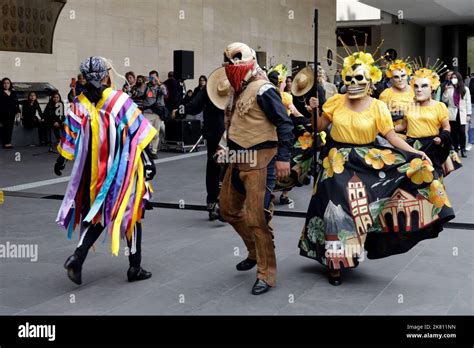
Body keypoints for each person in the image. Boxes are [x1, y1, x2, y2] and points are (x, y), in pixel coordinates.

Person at [299, 48, 454, 286]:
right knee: (335, 209)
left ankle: (354, 250)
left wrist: (415, 152)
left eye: (359, 78)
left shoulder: (377, 106)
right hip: (335, 161)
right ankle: (335, 263)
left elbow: (391, 136)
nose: (353, 82)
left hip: (366, 159)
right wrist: (314, 110)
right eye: (349, 78)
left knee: (360, 209)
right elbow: (318, 127)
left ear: (370, 80)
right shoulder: (336, 102)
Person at [55, 56, 157, 285]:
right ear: (105, 76)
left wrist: (61, 161)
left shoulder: (78, 103)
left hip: (92, 174)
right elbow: (139, 132)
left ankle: (78, 256)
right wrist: (149, 161)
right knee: (132, 213)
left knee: (98, 214)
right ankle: (135, 266)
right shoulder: (118, 99)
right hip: (123, 169)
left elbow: (69, 139)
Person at [218, 42, 293, 295]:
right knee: (228, 209)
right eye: (228, 60)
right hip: (238, 157)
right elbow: (235, 123)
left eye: (237, 58)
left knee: (258, 218)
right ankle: (253, 251)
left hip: (261, 159)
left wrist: (284, 157)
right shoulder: (237, 90)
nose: (231, 64)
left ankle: (266, 274)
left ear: (249, 60)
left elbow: (284, 123)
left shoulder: (263, 90)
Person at [396, 66, 460, 176]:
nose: (419, 89)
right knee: (412, 182)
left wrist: (441, 137)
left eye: (424, 86)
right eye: (416, 86)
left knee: (433, 181)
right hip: (412, 148)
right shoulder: (409, 107)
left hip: (432, 147)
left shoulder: (439, 106)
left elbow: (446, 127)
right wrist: (386, 129)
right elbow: (403, 126)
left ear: (432, 87)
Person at [182, 68, 228, 221]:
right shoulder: (238, 86)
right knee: (230, 167)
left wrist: (181, 109)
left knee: (214, 166)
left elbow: (194, 106)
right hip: (233, 134)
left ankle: (212, 202)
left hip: (214, 133)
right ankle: (225, 203)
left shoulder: (208, 88)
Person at [267, 64, 314, 205]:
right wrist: (311, 125)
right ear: (281, 83)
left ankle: (269, 193)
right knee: (291, 158)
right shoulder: (285, 97)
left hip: (267, 133)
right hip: (283, 133)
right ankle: (284, 193)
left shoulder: (265, 94)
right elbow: (295, 113)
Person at [379, 59, 414, 139]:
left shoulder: (415, 91)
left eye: (403, 76)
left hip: (416, 132)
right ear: (391, 78)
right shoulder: (385, 94)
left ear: (408, 75)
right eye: (396, 77)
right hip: (395, 134)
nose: (400, 79)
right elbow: (382, 119)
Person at [442, 72, 472, 158]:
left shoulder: (465, 89)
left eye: (455, 77)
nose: (453, 79)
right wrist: (445, 91)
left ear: (459, 78)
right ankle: (455, 149)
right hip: (452, 113)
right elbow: (444, 100)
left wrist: (469, 114)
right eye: (452, 77)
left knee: (462, 132)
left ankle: (463, 149)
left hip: (462, 113)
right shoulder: (449, 88)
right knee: (453, 133)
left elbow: (468, 102)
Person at [142, 70, 168, 158]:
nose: (152, 79)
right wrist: (144, 83)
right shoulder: (146, 87)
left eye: (154, 77)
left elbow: (165, 93)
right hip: (147, 113)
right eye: (151, 77)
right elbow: (140, 94)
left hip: (157, 113)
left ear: (157, 77)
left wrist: (159, 83)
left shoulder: (161, 87)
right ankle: (146, 149)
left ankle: (154, 151)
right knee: (146, 132)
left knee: (155, 134)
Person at [0, 77, 20, 149]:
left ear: (10, 84)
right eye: (4, 83)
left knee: (10, 128)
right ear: (2, 84)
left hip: (11, 113)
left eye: (7, 83)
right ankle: (5, 143)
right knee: (4, 128)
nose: (6, 84)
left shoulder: (13, 92)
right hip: (2, 113)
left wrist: (18, 112)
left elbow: (16, 103)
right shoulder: (0, 92)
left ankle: (8, 142)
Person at [468, 73, 474, 151]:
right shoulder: (472, 80)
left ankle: (471, 141)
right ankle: (471, 141)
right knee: (472, 123)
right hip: (472, 103)